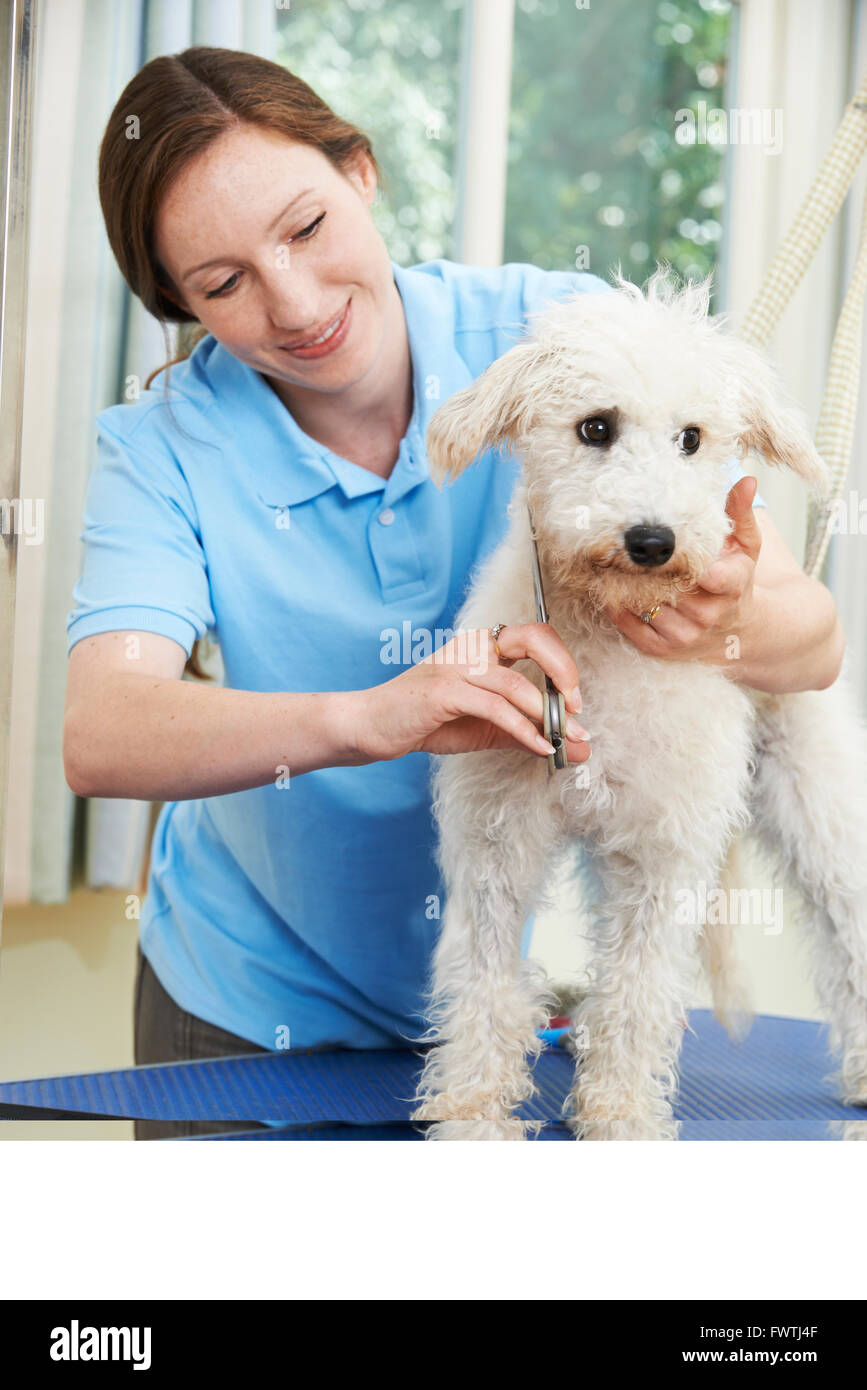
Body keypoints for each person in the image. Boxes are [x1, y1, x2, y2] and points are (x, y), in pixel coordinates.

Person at [63, 48, 843, 1140]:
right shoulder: (163, 447)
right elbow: (102, 733)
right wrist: (377, 716)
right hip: (240, 1012)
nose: (294, 302)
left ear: (362, 172)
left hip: (500, 1006)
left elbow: (812, 649)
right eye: (223, 283)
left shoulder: (565, 338)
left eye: (307, 227)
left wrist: (726, 613)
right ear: (176, 303)